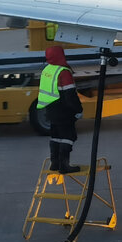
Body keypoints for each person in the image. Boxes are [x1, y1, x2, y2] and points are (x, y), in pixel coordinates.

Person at [38, 45, 82, 173]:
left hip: (51, 110)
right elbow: (70, 95)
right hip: (64, 111)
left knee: (56, 136)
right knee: (69, 137)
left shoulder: (47, 70)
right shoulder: (63, 72)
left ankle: (55, 163)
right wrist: (78, 110)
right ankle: (64, 165)